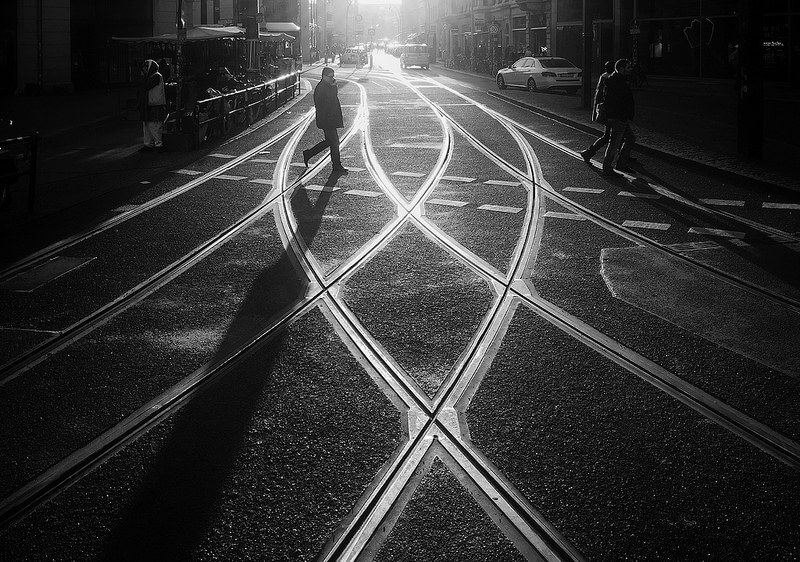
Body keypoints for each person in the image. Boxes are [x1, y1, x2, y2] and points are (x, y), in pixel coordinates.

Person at [303, 67, 348, 174]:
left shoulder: (327, 86)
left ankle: (309, 154)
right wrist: (333, 87)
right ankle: (336, 165)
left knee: (331, 141)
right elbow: (330, 99)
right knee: (334, 142)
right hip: (327, 119)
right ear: (324, 76)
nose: (332, 79)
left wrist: (333, 87)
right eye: (330, 76)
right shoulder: (322, 87)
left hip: (329, 119)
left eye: (333, 76)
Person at [601, 58, 636, 177]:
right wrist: (622, 115)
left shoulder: (617, 79)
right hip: (618, 117)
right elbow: (617, 101)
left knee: (630, 138)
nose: (630, 69)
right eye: (628, 67)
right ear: (621, 69)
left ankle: (621, 163)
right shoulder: (617, 81)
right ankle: (607, 168)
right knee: (614, 142)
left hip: (620, 117)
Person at [579, 60, 615, 164]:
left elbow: (597, 95)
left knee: (612, 135)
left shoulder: (603, 77)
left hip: (610, 111)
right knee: (609, 136)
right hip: (611, 112)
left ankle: (589, 152)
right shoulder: (608, 79)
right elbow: (603, 96)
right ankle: (589, 152)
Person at [137, 59, 167, 153]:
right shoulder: (153, 76)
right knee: (147, 126)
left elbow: (145, 86)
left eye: (146, 67)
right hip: (150, 104)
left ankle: (158, 145)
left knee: (154, 126)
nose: (144, 69)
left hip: (155, 104)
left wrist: (142, 76)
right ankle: (148, 144)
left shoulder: (156, 76)